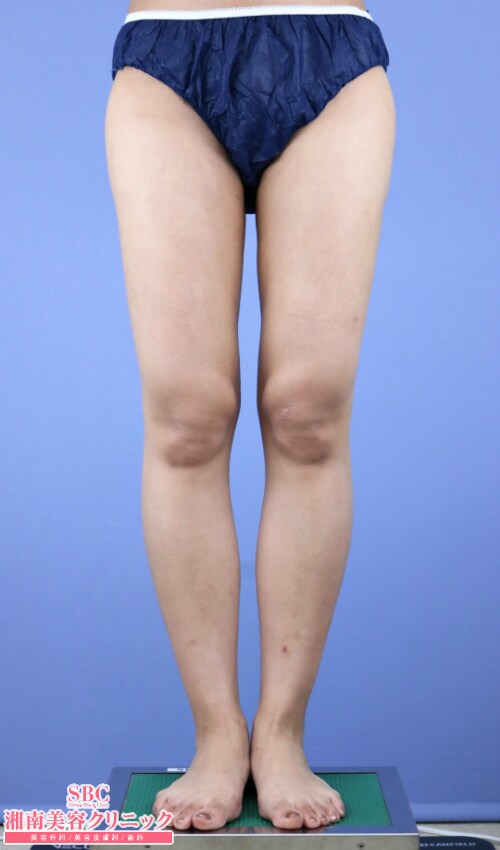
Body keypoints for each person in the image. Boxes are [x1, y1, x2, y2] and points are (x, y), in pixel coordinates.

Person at [104, 0, 396, 832]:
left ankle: (282, 731)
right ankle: (215, 734)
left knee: (309, 413)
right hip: (166, 57)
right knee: (187, 417)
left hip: (330, 43)